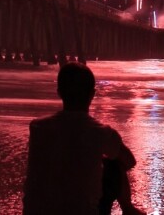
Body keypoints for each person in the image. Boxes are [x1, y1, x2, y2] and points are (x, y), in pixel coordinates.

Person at [23, 62, 145, 215]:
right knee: (114, 163)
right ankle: (128, 209)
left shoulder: (37, 128)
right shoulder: (101, 132)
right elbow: (129, 161)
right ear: (92, 94)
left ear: (59, 92)